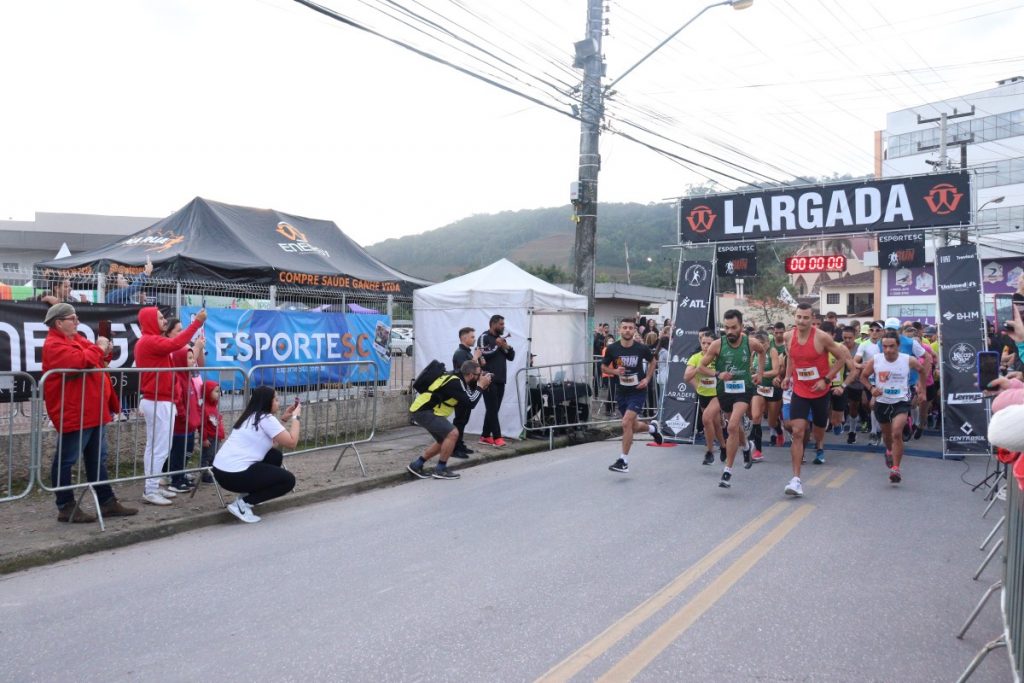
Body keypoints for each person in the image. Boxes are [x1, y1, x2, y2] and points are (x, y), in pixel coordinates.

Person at [41, 303, 138, 523]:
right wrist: (99, 348)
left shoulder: (76, 339)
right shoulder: (54, 344)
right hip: (76, 411)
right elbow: (80, 361)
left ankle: (107, 502)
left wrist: (105, 351)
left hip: (92, 409)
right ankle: (65, 505)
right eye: (73, 318)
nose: (77, 321)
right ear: (59, 323)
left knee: (96, 459)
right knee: (66, 460)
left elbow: (95, 359)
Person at [779, 303, 854, 497]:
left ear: (812, 319)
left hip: (820, 393)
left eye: (806, 317)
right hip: (800, 391)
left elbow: (841, 359)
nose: (801, 321)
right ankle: (796, 480)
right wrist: (787, 376)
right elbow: (791, 358)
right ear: (794, 317)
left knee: (818, 433)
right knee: (797, 431)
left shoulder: (822, 337)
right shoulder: (788, 336)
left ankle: (820, 434)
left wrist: (826, 380)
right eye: (799, 317)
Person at [135, 306, 207, 506]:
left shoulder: (149, 341)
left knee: (155, 447)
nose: (164, 321)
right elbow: (177, 342)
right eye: (160, 318)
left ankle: (153, 485)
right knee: (160, 448)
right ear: (150, 321)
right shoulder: (150, 341)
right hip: (158, 401)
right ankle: (151, 489)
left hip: (159, 399)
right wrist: (197, 322)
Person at [212, 386, 299, 523]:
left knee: (274, 455)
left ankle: (248, 497)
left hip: (221, 472)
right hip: (234, 475)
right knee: (288, 481)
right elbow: (292, 442)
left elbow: (273, 442)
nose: (279, 402)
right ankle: (242, 504)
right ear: (267, 402)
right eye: (276, 399)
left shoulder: (250, 415)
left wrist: (284, 419)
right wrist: (296, 417)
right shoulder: (266, 419)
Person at [699, 309, 765, 488]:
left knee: (732, 425)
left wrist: (759, 373)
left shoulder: (750, 343)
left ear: (741, 326)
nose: (729, 331)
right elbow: (701, 367)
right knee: (735, 427)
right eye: (726, 328)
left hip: (744, 390)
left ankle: (727, 471)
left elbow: (762, 352)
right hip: (725, 391)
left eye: (733, 327)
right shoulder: (717, 345)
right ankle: (746, 447)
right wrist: (718, 374)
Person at [407, 360, 491, 480]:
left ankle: (416, 465)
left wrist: (481, 387)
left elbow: (468, 398)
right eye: (479, 374)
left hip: (424, 410)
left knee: (444, 441)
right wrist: (481, 386)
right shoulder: (455, 382)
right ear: (471, 375)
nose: (480, 376)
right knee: (453, 434)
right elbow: (471, 402)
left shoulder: (459, 380)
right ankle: (441, 469)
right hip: (424, 411)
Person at [860, 331, 925, 484]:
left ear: (898, 346)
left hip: (901, 401)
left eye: (892, 346)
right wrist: (871, 389)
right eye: (885, 346)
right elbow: (863, 376)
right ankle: (889, 451)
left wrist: (921, 389)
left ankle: (895, 468)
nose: (888, 350)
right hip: (882, 402)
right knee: (887, 436)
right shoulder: (876, 360)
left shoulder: (908, 360)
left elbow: (922, 370)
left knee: (896, 433)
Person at [602, 318, 663, 474]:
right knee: (632, 425)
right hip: (621, 391)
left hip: (637, 391)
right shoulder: (612, 348)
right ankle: (652, 428)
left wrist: (647, 379)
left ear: (634, 330)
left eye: (630, 328)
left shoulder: (641, 348)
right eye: (625, 328)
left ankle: (623, 461)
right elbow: (603, 367)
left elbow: (653, 362)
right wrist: (615, 371)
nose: (627, 330)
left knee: (626, 422)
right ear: (620, 330)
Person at [166, 344, 204, 492]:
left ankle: (181, 476)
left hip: (189, 425)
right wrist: (184, 418)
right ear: (180, 360)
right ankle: (175, 481)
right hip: (181, 426)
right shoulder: (178, 379)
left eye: (192, 357)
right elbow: (178, 402)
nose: (193, 361)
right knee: (178, 454)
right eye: (189, 358)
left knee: (186, 452)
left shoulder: (188, 378)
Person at [685, 333, 725, 466]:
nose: (706, 346)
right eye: (703, 343)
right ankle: (724, 447)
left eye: (709, 343)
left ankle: (709, 452)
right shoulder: (695, 358)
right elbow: (686, 377)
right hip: (703, 394)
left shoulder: (719, 357)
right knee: (715, 423)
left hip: (718, 394)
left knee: (706, 419)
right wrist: (698, 369)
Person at [477, 314, 515, 447]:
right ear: (493, 324)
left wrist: (506, 346)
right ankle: (497, 438)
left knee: (494, 409)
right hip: (487, 379)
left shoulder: (500, 340)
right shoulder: (484, 337)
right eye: (501, 324)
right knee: (492, 409)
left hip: (501, 379)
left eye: (503, 324)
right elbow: (483, 354)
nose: (503, 326)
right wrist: (498, 346)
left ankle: (485, 436)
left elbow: (511, 357)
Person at [750, 330, 782, 463]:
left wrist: (759, 374)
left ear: (768, 342)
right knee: (756, 416)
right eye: (758, 343)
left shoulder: (772, 351)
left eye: (763, 343)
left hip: (773, 389)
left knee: (771, 422)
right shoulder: (754, 353)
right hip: (759, 388)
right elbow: (750, 369)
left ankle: (779, 430)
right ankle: (758, 451)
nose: (761, 346)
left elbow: (775, 371)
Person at [451, 326, 482, 458]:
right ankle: (454, 448)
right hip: (461, 391)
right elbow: (467, 371)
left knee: (464, 420)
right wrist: (475, 357)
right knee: (460, 419)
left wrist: (480, 359)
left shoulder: (467, 353)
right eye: (472, 337)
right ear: (464, 338)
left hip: (468, 390)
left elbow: (476, 370)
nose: (474, 339)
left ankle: (459, 444)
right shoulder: (460, 353)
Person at [200, 380, 225, 484]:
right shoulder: (204, 408)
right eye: (216, 391)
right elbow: (202, 425)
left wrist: (221, 434)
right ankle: (205, 476)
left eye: (219, 391)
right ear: (207, 392)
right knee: (207, 457)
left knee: (214, 456)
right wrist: (204, 438)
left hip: (216, 437)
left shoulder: (214, 406)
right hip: (209, 437)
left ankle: (212, 474)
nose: (219, 394)